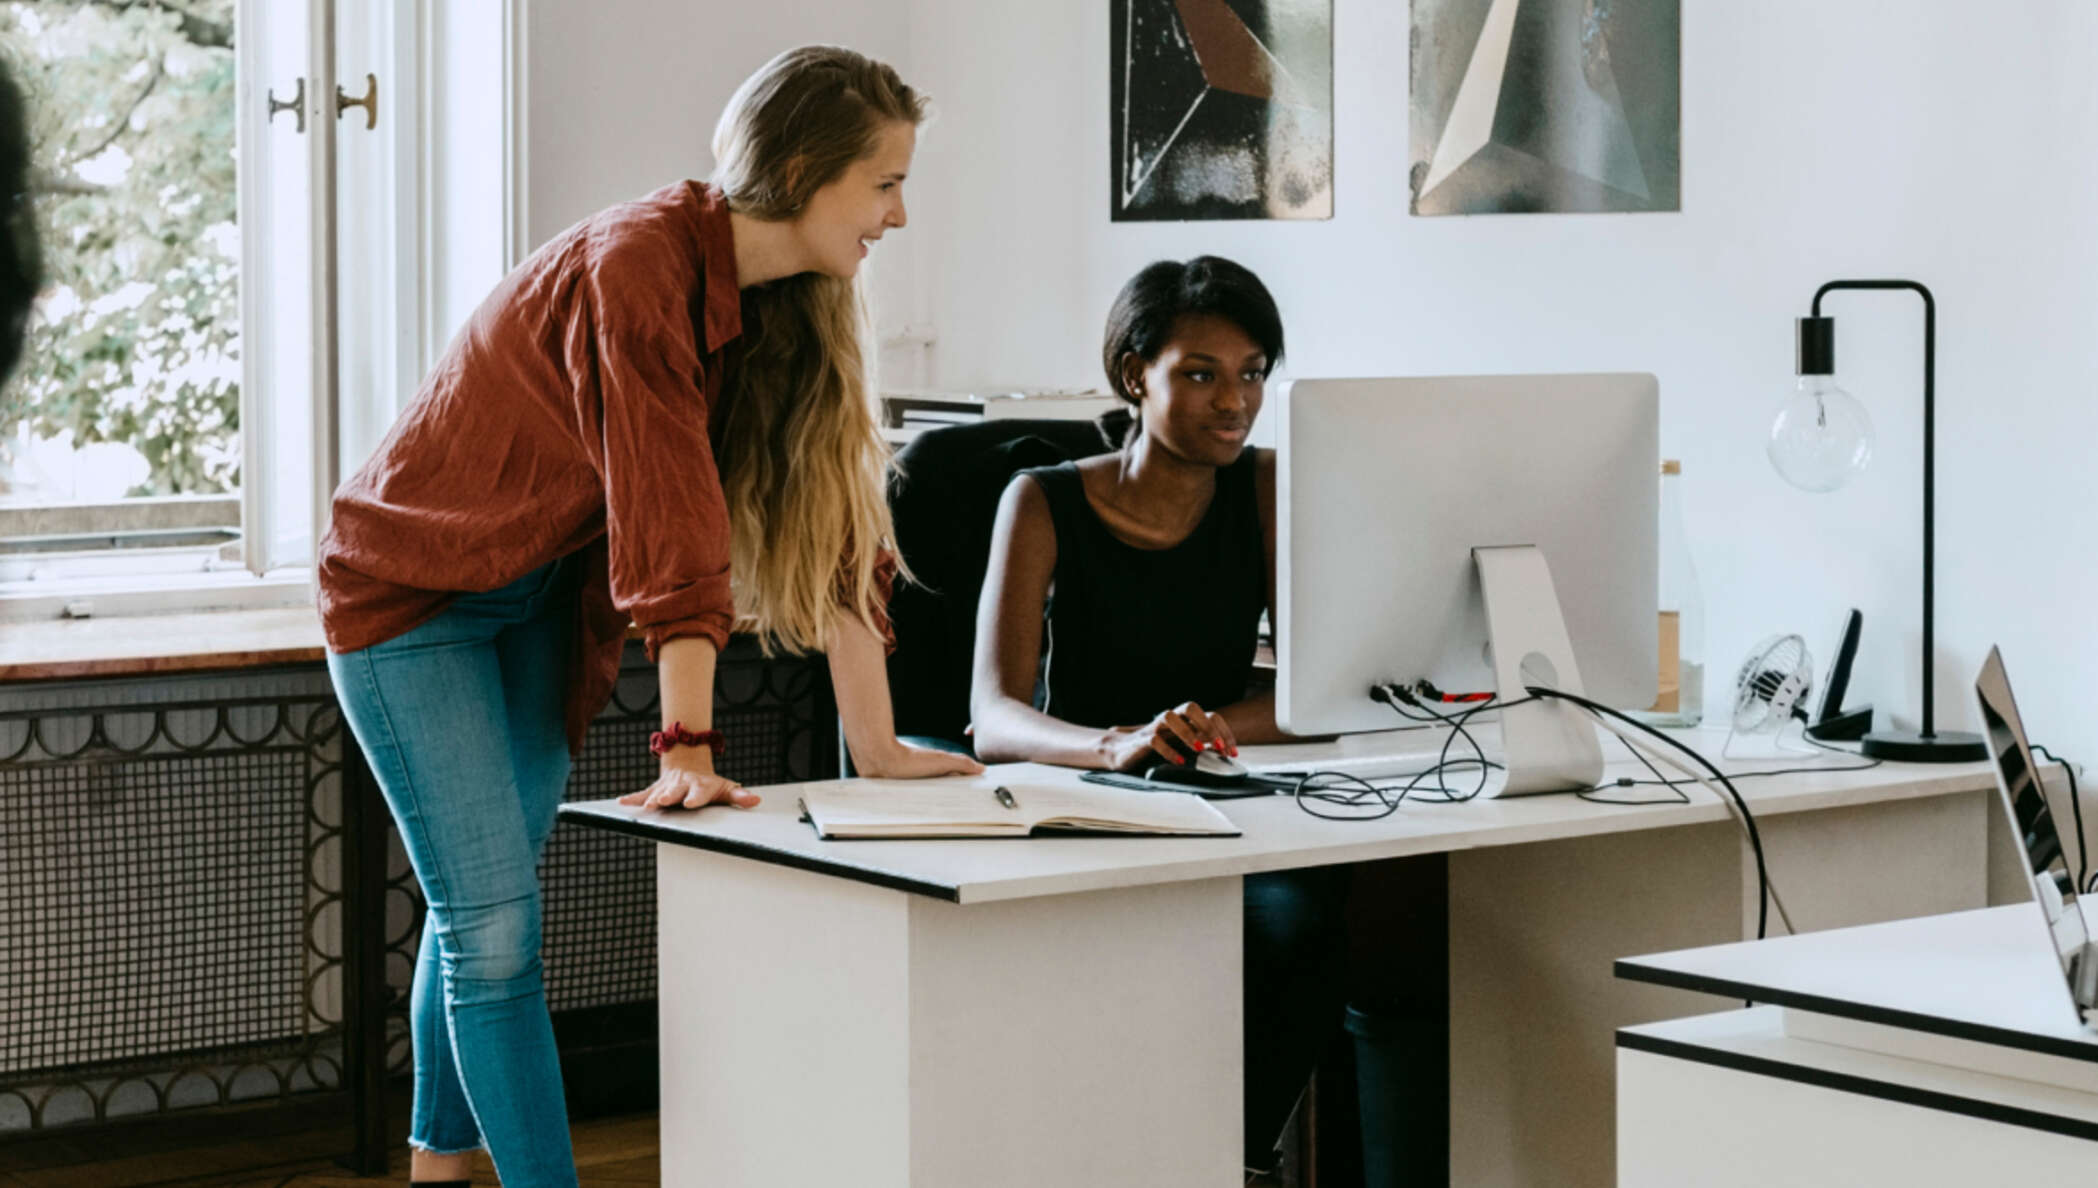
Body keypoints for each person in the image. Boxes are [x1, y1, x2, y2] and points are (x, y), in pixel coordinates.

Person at [318, 47, 978, 1188]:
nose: (900, 215)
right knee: (494, 929)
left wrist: (876, 747)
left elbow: (833, 527)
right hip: (410, 593)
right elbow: (667, 517)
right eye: (884, 184)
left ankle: (438, 1171)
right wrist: (686, 749)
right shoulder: (638, 263)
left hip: (537, 596)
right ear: (803, 172)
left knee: (484, 911)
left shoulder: (795, 298)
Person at [969, 256, 1350, 1179]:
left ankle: (1228, 1161)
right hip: (1084, 804)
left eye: (1253, 373)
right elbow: (992, 717)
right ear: (1135, 373)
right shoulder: (1045, 499)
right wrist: (1119, 745)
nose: (1237, 401)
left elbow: (1315, 697)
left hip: (1223, 799)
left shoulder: (1266, 487)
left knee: (1310, 922)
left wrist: (1200, 731)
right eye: (1203, 373)